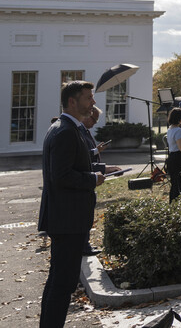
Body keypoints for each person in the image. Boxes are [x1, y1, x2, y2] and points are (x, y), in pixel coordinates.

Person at [38, 81, 105, 328]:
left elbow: (74, 164)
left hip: (66, 218)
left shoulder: (65, 127)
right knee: (62, 284)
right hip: (67, 220)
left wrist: (100, 170)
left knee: (58, 281)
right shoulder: (65, 130)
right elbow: (62, 175)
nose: (93, 103)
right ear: (72, 102)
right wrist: (93, 179)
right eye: (88, 98)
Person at [80, 106, 121, 255]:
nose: (95, 123)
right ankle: (84, 246)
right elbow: (83, 159)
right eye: (94, 119)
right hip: (85, 180)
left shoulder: (84, 132)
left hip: (90, 179)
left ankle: (85, 244)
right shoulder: (77, 132)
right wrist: (105, 168)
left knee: (88, 214)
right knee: (84, 215)